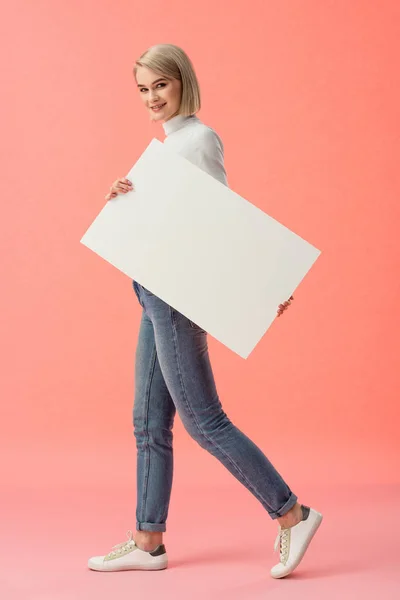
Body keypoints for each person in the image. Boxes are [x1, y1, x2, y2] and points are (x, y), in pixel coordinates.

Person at [88, 44, 322, 579]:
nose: (152, 98)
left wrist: (262, 289)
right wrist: (122, 199)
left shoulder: (197, 140)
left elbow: (223, 224)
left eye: (160, 86)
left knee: (204, 420)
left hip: (176, 297)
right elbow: (168, 224)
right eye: (143, 90)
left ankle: (294, 515)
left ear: (183, 83)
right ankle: (148, 541)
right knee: (148, 420)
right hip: (153, 291)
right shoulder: (169, 146)